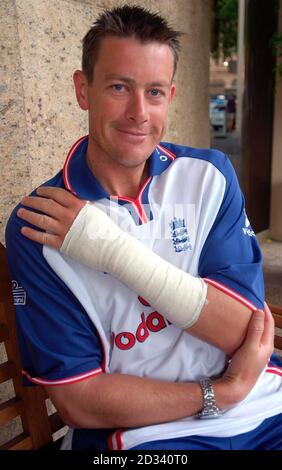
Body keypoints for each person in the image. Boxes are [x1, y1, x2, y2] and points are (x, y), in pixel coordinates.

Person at [5, 5, 281, 451]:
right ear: (83, 89)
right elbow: (80, 402)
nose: (139, 112)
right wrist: (220, 392)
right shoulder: (38, 225)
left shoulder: (209, 174)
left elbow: (244, 330)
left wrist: (113, 251)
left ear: (170, 95)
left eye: (154, 92)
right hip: (145, 438)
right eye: (119, 87)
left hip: (264, 402)